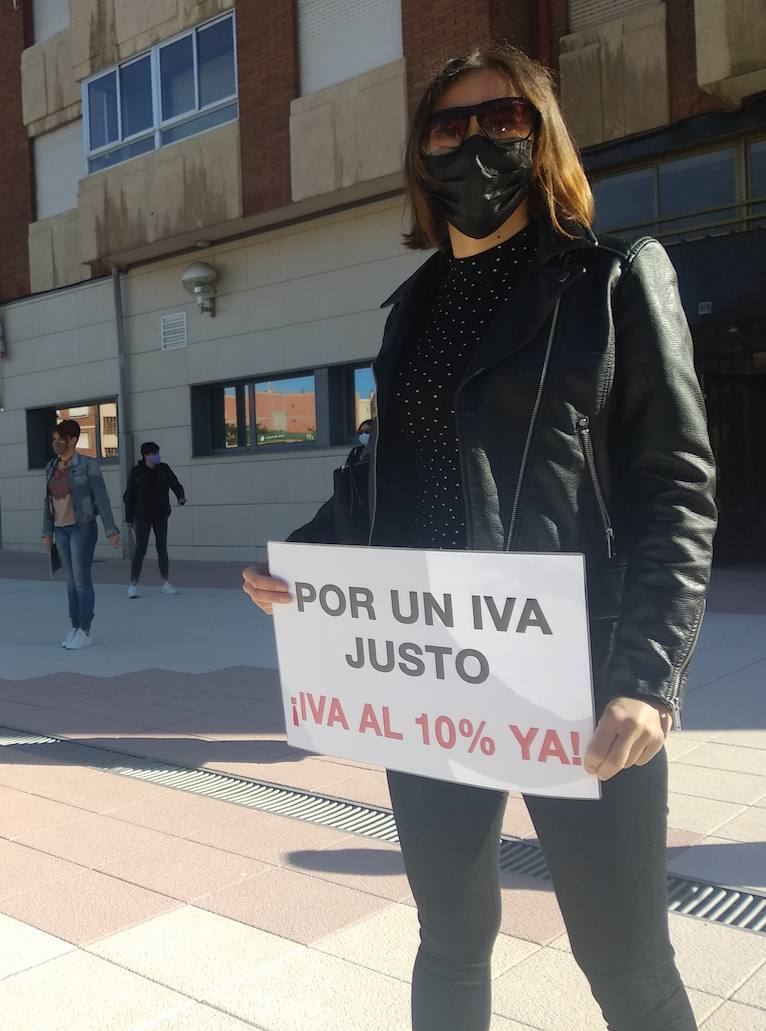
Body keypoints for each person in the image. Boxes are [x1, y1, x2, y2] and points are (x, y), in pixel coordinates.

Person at [242, 47, 715, 1031]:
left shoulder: (613, 280)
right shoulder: (415, 305)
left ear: (539, 136)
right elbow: (388, 471)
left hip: (576, 666)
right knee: (449, 934)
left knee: (624, 956)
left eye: (500, 119)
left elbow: (676, 489)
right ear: (423, 155)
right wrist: (306, 561)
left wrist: (649, 674)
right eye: (449, 128)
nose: (474, 143)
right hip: (431, 665)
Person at [40, 419, 122, 650]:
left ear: (72, 440)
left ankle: (85, 630)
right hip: (60, 529)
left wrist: (111, 530)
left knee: (81, 580)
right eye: (54, 440)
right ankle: (75, 626)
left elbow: (102, 499)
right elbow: (47, 502)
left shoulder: (87, 465)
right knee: (70, 581)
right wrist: (46, 532)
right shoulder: (51, 467)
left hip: (82, 527)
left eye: (60, 440)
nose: (55, 443)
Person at [123, 441, 186, 598]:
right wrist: (128, 518)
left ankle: (166, 582)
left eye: (158, 453)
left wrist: (181, 497)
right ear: (146, 456)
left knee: (162, 548)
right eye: (154, 454)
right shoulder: (136, 472)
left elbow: (175, 484)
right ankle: (133, 585)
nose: (157, 456)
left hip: (161, 514)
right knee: (141, 549)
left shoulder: (164, 469)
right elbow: (128, 496)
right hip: (142, 517)